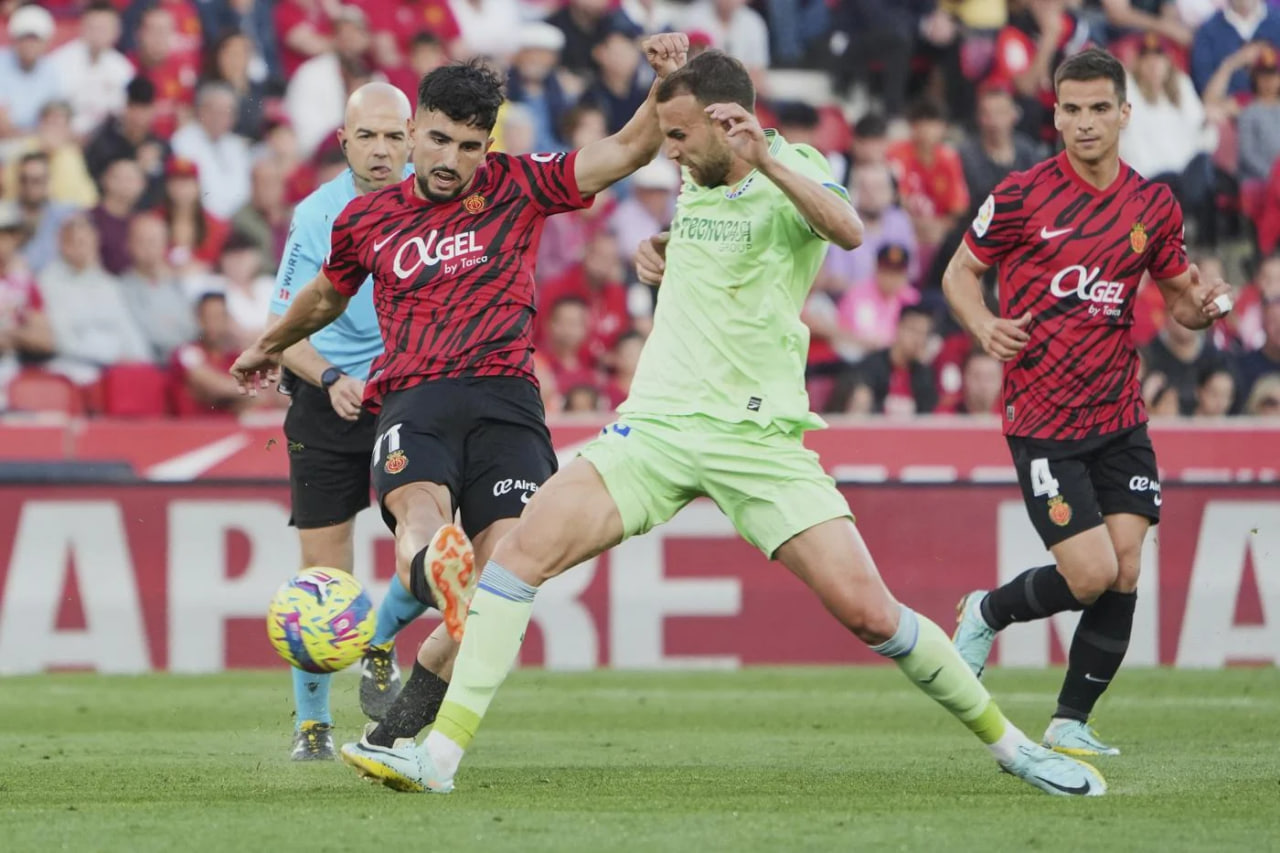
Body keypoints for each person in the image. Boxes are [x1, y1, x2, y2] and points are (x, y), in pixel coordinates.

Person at [330, 49, 1107, 799]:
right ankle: (437, 754)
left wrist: (767, 161)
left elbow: (846, 228)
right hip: (656, 428)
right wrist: (663, 245)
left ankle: (1014, 746)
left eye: (678, 136)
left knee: (873, 613)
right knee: (515, 561)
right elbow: (712, 236)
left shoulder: (791, 165)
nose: (667, 151)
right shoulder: (695, 178)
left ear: (731, 123)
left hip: (757, 440)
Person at [232, 36, 691, 757]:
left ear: (488, 145)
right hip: (415, 396)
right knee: (422, 513)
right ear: (414, 129)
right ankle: (431, 577)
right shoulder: (364, 219)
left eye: (469, 146)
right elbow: (324, 295)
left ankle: (390, 731)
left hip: (508, 400)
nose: (450, 160)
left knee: (503, 572)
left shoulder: (520, 182)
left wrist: (666, 82)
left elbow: (630, 150)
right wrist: (267, 345)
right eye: (438, 139)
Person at [943, 48, 1234, 757]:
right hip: (1043, 421)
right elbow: (960, 272)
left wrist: (1203, 308)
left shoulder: (1152, 205)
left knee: (1127, 567)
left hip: (1120, 415)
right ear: (1055, 114)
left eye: (1099, 108)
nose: (1084, 123)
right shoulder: (1020, 196)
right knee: (1092, 573)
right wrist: (984, 326)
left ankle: (1070, 719)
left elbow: (1178, 304)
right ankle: (986, 609)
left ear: (1125, 114)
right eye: (1071, 110)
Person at [268, 82, 440, 760]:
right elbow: (284, 331)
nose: (381, 150)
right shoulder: (316, 215)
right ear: (343, 142)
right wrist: (333, 376)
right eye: (366, 136)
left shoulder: (441, 206)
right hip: (327, 395)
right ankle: (312, 724)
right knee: (321, 574)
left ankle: (378, 643)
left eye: (394, 136)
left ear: (413, 140)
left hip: (408, 391)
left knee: (426, 542)